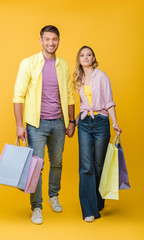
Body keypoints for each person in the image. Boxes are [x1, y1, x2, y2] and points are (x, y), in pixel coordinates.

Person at [13, 25, 75, 224]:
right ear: (40, 40)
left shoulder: (63, 64)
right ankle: (37, 207)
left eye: (54, 39)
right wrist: (19, 125)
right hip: (35, 124)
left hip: (59, 122)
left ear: (58, 40)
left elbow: (69, 95)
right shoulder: (28, 63)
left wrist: (71, 121)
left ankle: (53, 195)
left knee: (57, 163)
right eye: (47, 39)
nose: (51, 43)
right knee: (36, 166)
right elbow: (18, 95)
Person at [73, 46, 122, 223]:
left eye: (89, 55)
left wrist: (114, 123)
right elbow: (82, 104)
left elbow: (109, 102)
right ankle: (89, 209)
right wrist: (74, 121)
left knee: (99, 165)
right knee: (86, 166)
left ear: (94, 58)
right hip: (85, 123)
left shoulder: (102, 77)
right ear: (79, 59)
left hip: (101, 123)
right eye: (82, 55)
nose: (85, 58)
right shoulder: (78, 78)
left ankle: (98, 200)